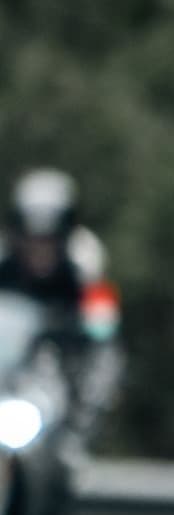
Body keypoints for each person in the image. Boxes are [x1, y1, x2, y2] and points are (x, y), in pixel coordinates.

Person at [0, 167, 123, 445]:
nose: (40, 248)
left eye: (49, 239)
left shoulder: (89, 272)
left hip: (63, 385)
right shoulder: (2, 266)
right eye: (32, 238)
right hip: (11, 384)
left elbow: (106, 337)